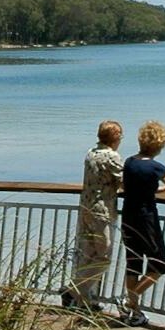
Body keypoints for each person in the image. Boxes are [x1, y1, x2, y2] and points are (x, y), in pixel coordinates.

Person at [120, 120, 165, 326]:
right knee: (159, 264)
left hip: (128, 216)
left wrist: (155, 190)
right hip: (146, 219)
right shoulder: (156, 168)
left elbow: (129, 187)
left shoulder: (130, 162)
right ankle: (129, 302)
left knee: (133, 262)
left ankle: (133, 311)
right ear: (160, 145)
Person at [61, 120, 124, 312]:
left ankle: (84, 301)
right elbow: (125, 180)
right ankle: (73, 290)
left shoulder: (91, 153)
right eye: (120, 135)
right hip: (101, 211)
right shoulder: (111, 157)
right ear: (115, 137)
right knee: (104, 256)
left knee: (88, 255)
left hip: (86, 208)